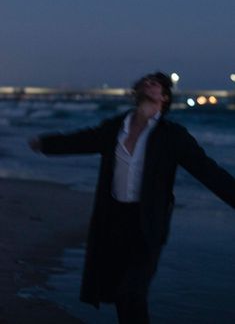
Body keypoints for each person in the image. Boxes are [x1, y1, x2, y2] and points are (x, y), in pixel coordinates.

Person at [30, 72, 235, 324]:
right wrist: (45, 144)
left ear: (164, 97)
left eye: (156, 83)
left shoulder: (172, 135)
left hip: (147, 221)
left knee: (132, 291)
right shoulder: (116, 126)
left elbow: (206, 169)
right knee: (120, 292)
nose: (148, 84)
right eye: (146, 81)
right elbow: (83, 139)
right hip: (113, 218)